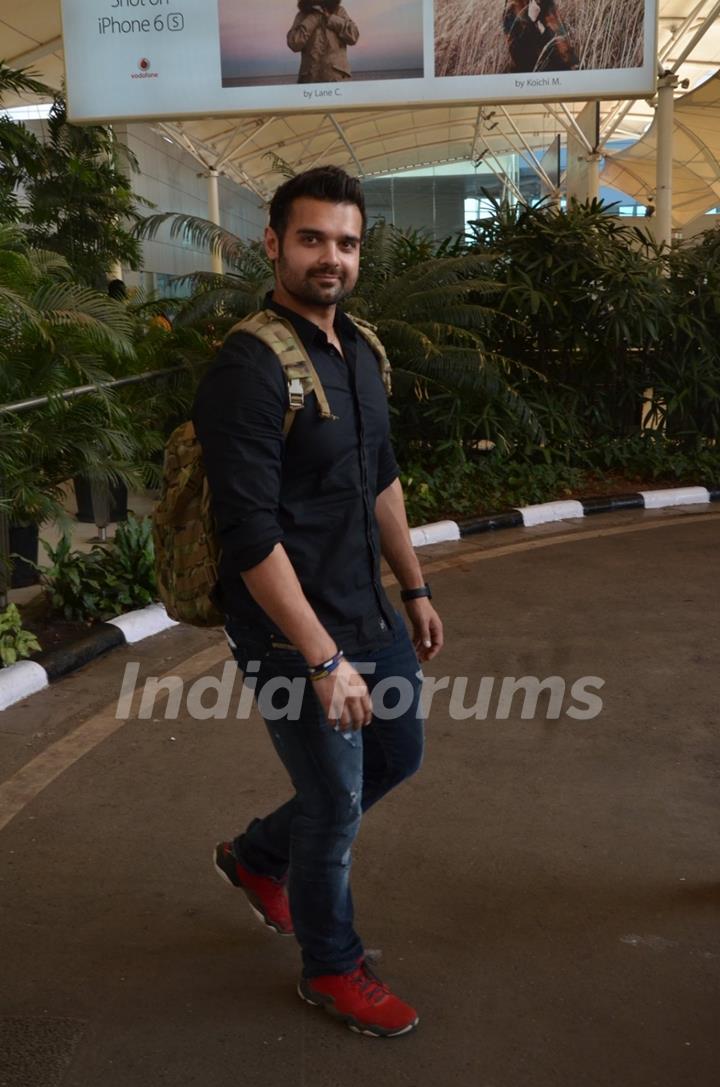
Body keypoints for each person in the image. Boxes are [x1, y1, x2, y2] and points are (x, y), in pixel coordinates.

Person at [192, 165, 443, 1038]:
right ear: (273, 243)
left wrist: (412, 585)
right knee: (335, 801)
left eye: (346, 243)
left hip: (367, 607)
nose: (330, 258)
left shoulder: (361, 349)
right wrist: (324, 659)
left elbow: (381, 481)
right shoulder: (248, 370)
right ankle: (332, 967)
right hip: (287, 631)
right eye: (312, 239)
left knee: (397, 755)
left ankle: (259, 855)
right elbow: (248, 537)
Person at [287, 0, 359, 84]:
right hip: (310, 82)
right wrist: (313, 18)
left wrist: (331, 18)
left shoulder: (338, 11)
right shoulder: (302, 15)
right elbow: (294, 44)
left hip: (337, 81)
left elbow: (353, 36)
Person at [502, 0, 579, 73]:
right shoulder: (512, 9)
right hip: (534, 73)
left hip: (558, 68)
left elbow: (562, 43)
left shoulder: (547, 4)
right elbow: (519, 56)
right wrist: (531, 20)